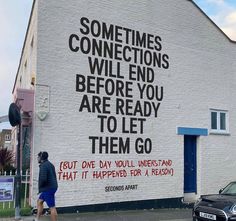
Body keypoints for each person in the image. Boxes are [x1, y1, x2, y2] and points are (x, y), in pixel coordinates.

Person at [34, 151, 58, 221]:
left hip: (48, 189)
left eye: (38, 157)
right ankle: (37, 219)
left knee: (52, 207)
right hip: (50, 187)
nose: (37, 158)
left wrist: (40, 187)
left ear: (41, 158)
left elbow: (43, 179)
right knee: (39, 201)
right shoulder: (50, 164)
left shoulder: (44, 166)